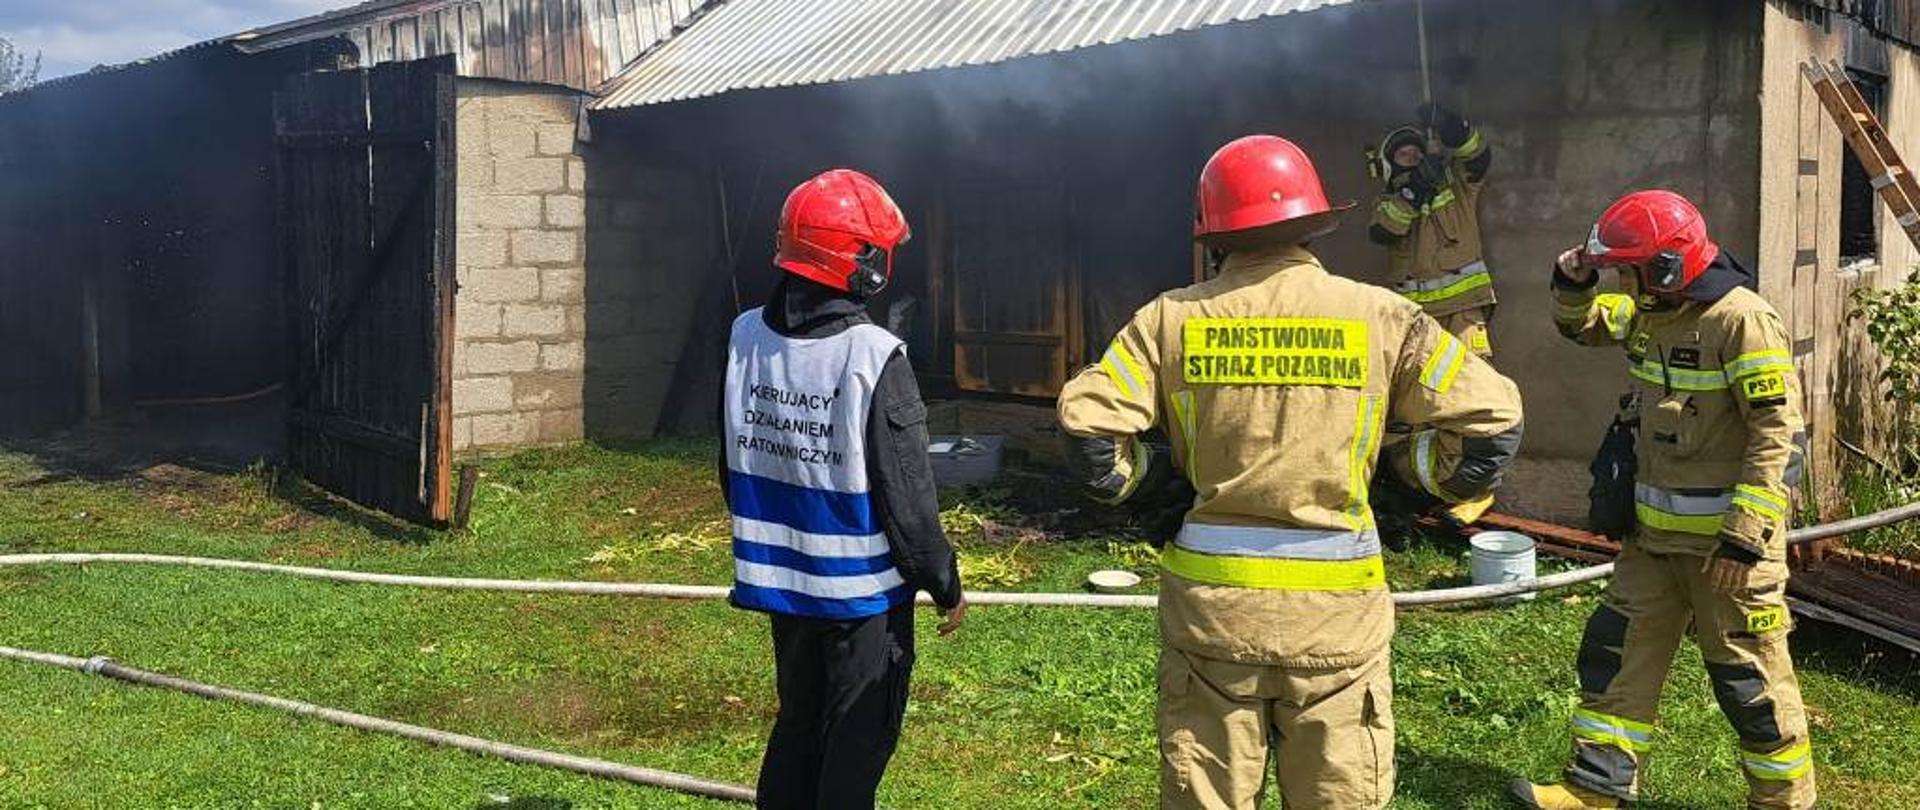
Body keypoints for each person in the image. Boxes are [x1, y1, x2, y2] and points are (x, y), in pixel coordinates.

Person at [1058, 135, 1524, 810]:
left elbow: (1088, 429)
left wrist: (1151, 487)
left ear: (1212, 233)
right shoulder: (1383, 316)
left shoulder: (1170, 319)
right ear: (1313, 222)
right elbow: (1493, 423)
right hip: (1339, 624)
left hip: (1212, 625)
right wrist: (1405, 478)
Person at [1511, 190, 1813, 810]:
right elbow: (1582, 326)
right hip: (1652, 543)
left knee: (1747, 683)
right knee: (1615, 657)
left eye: (1632, 269)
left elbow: (1779, 432)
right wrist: (1573, 280)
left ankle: (1784, 801)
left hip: (1726, 554)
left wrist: (1744, 535)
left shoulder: (1741, 320)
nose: (1625, 282)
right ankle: (1596, 790)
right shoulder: (1652, 310)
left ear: (1670, 266)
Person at [719, 168, 967, 810]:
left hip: (782, 586)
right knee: (857, 744)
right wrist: (943, 581)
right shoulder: (874, 354)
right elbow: (906, 493)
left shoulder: (744, 335)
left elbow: (732, 458)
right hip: (861, 601)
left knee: (798, 725)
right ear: (857, 261)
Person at [1368, 101, 1497, 358]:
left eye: (1417, 153)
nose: (1413, 158)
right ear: (1389, 164)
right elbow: (1386, 231)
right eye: (1404, 155)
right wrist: (1415, 189)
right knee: (1426, 390)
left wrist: (1449, 125)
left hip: (1463, 310)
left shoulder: (1455, 184)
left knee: (1470, 386)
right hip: (1417, 318)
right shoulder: (1385, 204)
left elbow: (1478, 155)